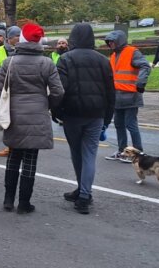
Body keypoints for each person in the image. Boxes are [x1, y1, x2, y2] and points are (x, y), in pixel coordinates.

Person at [0, 23, 64, 213]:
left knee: (13, 156)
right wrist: (48, 105)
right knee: (30, 160)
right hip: (37, 115)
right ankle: (24, 203)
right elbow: (58, 91)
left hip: (14, 115)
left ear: (21, 40)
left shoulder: (9, 62)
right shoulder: (46, 63)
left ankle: (8, 199)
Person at [53, 24, 115, 214]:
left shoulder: (65, 59)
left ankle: (82, 190)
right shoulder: (103, 60)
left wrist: (56, 112)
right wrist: (108, 116)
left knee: (76, 153)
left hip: (72, 113)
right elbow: (110, 91)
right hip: (96, 113)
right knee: (89, 154)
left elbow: (59, 89)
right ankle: (84, 193)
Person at [103, 30, 151, 161]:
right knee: (119, 124)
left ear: (119, 41)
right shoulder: (114, 55)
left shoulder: (132, 52)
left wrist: (140, 83)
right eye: (109, 42)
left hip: (130, 95)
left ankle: (138, 152)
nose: (111, 44)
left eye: (112, 41)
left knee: (130, 124)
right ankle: (122, 151)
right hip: (117, 96)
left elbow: (145, 66)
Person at [0, 25, 20, 158]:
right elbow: (1, 65)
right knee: (7, 116)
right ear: (9, 38)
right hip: (6, 86)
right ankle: (10, 146)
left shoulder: (20, 49)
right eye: (17, 36)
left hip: (18, 85)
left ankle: (16, 145)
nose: (20, 38)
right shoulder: (0, 50)